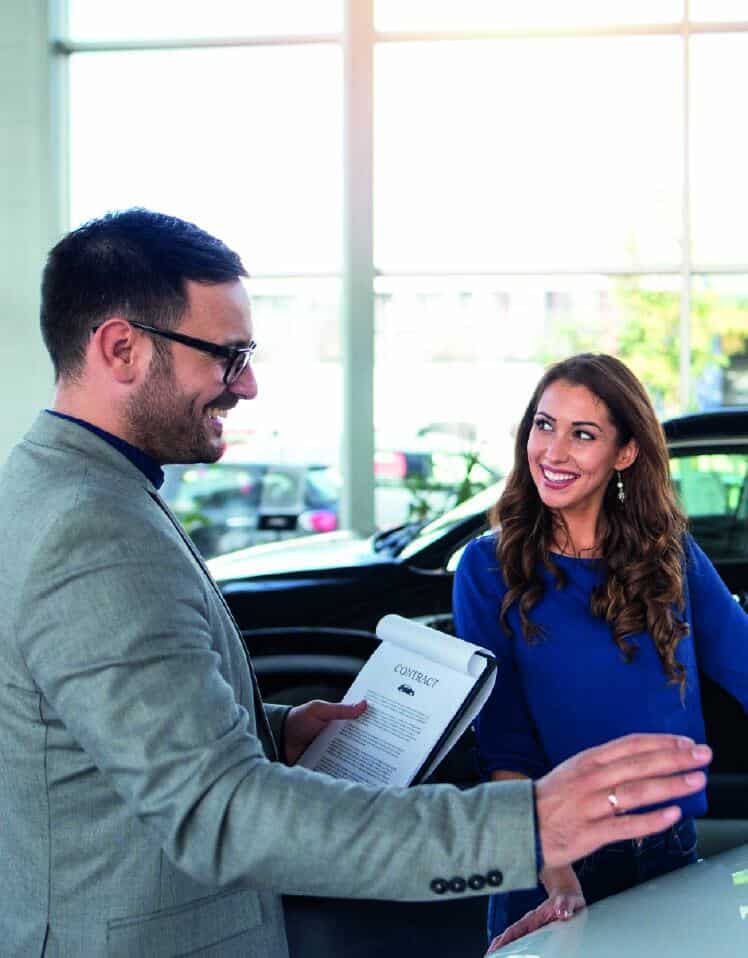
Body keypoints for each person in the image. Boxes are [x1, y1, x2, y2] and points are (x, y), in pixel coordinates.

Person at [0, 213, 711, 958]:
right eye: (228, 356)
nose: (248, 384)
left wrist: (272, 730)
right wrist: (528, 828)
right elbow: (221, 813)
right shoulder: (93, 527)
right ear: (122, 348)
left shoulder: (67, 485)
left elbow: (89, 731)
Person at [452, 353, 748, 953]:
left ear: (625, 452)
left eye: (583, 434)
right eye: (544, 425)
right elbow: (503, 739)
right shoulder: (487, 566)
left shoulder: (670, 556)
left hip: (668, 851)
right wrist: (553, 869)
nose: (553, 452)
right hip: (553, 864)